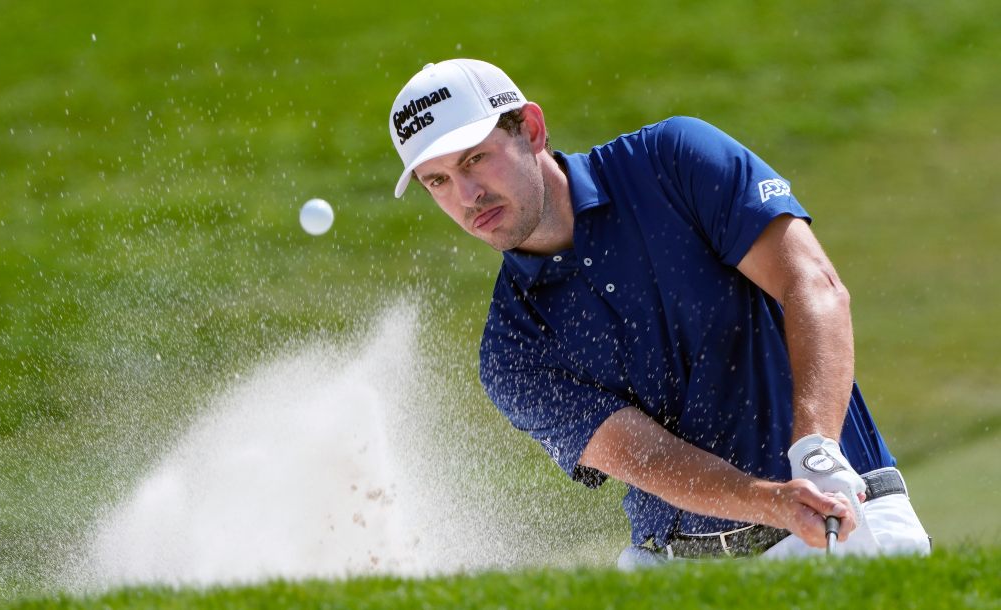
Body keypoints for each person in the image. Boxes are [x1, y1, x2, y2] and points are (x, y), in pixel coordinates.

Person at [387, 58, 931, 564]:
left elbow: (811, 285)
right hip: (679, 565)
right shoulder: (512, 349)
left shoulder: (671, 161)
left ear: (531, 129)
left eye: (475, 159)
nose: (467, 195)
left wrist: (816, 450)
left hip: (845, 518)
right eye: (438, 181)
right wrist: (775, 502)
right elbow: (650, 459)